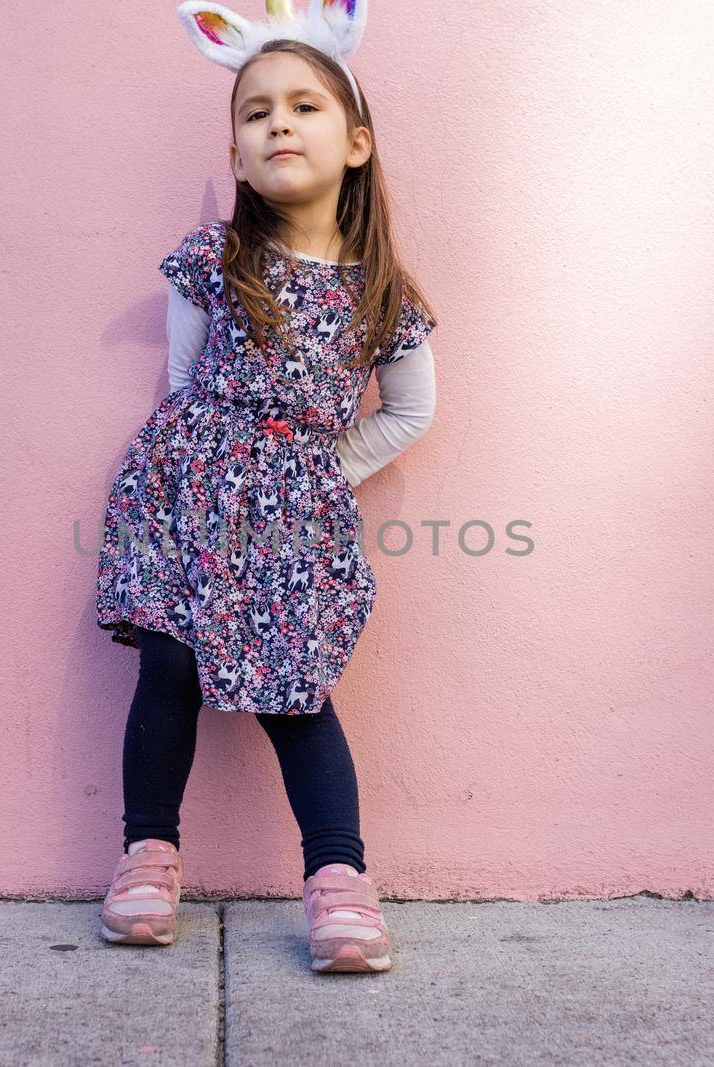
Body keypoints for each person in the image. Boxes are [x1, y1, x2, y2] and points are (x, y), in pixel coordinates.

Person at [93, 0, 439, 975]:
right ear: (238, 157)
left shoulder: (383, 295)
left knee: (294, 690)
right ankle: (145, 858)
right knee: (168, 666)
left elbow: (409, 411)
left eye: (303, 105)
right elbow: (188, 386)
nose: (277, 123)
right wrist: (222, 474)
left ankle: (339, 881)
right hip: (183, 496)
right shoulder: (213, 263)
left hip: (292, 522)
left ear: (356, 140)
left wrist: (317, 470)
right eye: (255, 113)